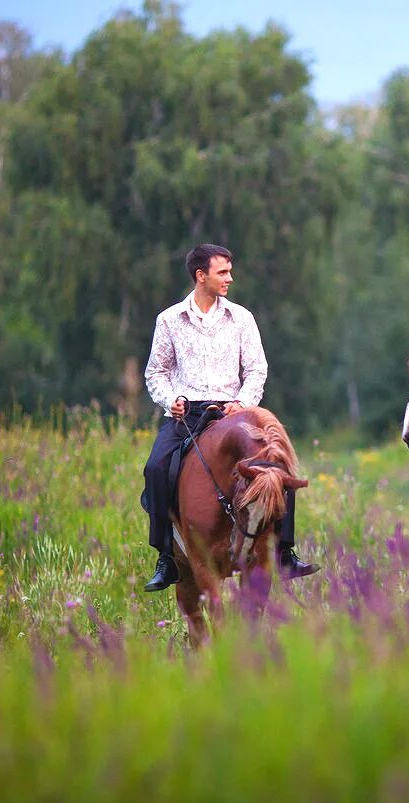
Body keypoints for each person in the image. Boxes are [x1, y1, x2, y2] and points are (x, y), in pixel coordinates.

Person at [141, 243, 319, 592]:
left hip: (235, 411)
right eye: (223, 272)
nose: (230, 278)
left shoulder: (242, 318)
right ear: (200, 275)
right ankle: (166, 555)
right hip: (187, 413)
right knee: (156, 468)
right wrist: (170, 399)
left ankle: (284, 550)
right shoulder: (169, 320)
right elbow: (155, 372)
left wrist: (243, 402)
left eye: (229, 271)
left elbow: (256, 369)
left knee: (277, 466)